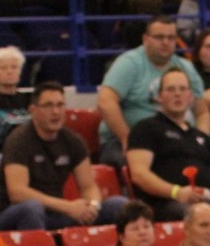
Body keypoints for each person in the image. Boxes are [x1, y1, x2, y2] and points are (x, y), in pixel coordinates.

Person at [0, 82, 127, 231]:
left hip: (57, 214)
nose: (56, 112)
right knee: (32, 208)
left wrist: (92, 206)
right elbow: (17, 193)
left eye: (60, 105)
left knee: (119, 205)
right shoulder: (18, 140)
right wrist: (67, 207)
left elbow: (89, 186)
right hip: (14, 214)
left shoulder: (72, 140)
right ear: (33, 110)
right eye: (48, 106)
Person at [126, 67, 210, 221]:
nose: (177, 94)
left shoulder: (202, 137)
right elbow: (139, 175)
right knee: (197, 215)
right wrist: (176, 192)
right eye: (170, 89)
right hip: (167, 204)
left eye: (183, 89)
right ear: (159, 97)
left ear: (190, 97)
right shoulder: (145, 129)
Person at [97, 16, 210, 167]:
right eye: (159, 37)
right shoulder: (129, 63)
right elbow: (105, 102)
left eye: (171, 38)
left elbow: (202, 113)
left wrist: (201, 141)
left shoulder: (186, 68)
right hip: (124, 141)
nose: (165, 42)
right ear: (145, 39)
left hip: (177, 140)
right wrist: (127, 139)